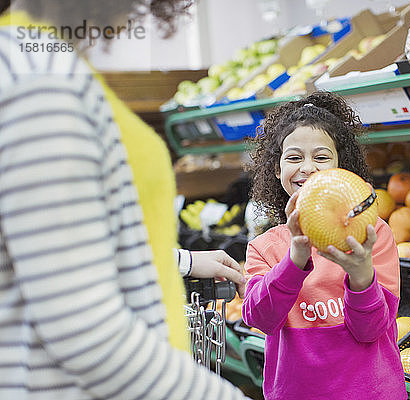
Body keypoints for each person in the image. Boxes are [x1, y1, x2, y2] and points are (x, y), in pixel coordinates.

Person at [0, 1, 248, 398]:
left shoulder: (31, 61)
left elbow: (56, 253)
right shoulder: (41, 84)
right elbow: (85, 331)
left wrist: (181, 261)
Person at [242, 91, 407, 399]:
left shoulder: (372, 234)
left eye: (321, 157)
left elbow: (370, 330)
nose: (307, 168)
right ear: (277, 170)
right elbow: (260, 318)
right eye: (293, 157)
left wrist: (361, 277)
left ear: (341, 167)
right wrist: (295, 259)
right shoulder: (265, 247)